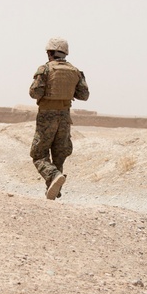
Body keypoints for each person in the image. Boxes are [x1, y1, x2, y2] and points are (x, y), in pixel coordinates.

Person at [28, 37, 90, 200]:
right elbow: (84, 95)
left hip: (47, 116)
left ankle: (53, 175)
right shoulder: (75, 71)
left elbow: (35, 93)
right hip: (64, 117)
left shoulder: (45, 69)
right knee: (59, 153)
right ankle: (54, 189)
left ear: (50, 53)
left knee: (39, 154)